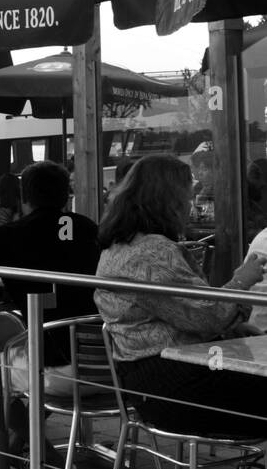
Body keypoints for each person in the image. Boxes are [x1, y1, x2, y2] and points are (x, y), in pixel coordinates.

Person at [95, 153, 267, 436]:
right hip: (179, 386)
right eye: (186, 198)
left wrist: (232, 325)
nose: (190, 205)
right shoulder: (153, 252)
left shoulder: (118, 247)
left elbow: (181, 312)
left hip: (151, 385)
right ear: (168, 202)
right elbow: (209, 316)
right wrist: (241, 281)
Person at [0, 161, 101, 458]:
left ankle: (44, 454)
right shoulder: (86, 227)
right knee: (31, 361)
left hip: (59, 370)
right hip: (108, 367)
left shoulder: (8, 235)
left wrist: (7, 292)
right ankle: (21, 448)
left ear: (23, 197)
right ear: (66, 195)